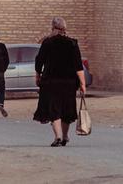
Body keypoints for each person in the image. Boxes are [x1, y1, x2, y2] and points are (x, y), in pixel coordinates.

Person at [32, 16, 85, 147]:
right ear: (65, 29)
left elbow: (39, 61)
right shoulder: (72, 43)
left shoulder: (47, 43)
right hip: (69, 82)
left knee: (54, 109)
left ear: (52, 28)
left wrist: (38, 76)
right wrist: (83, 84)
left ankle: (58, 136)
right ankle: (66, 136)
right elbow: (79, 66)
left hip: (51, 81)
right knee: (67, 109)